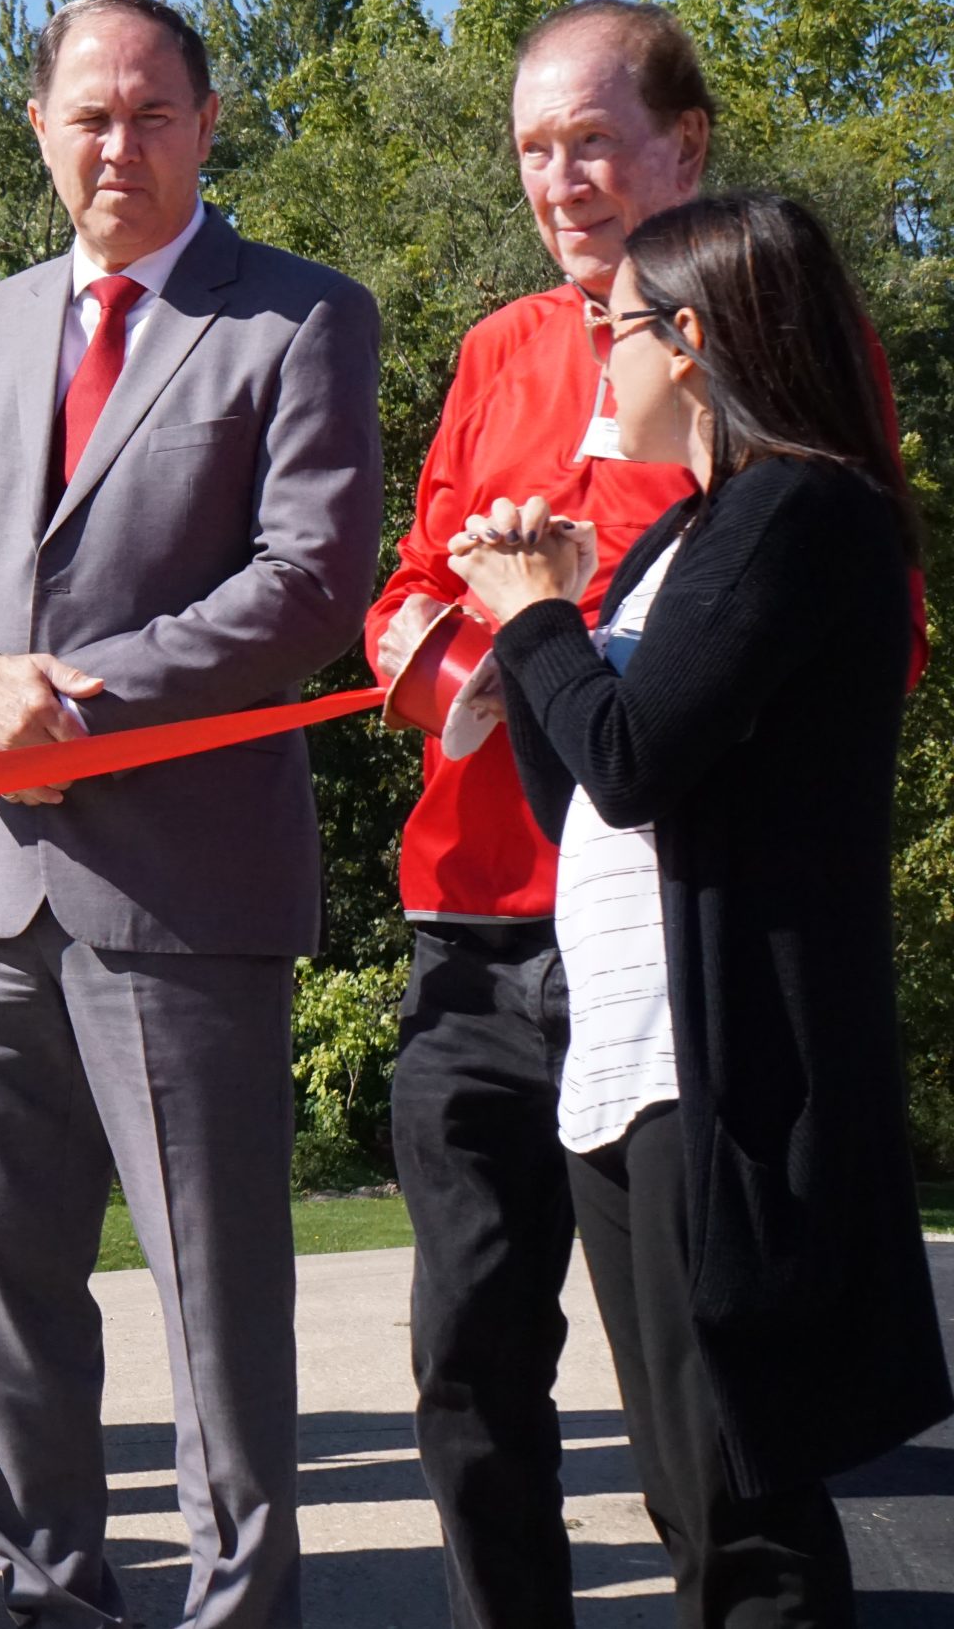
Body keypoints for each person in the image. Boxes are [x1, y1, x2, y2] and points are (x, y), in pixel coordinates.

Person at [0, 0, 383, 1629]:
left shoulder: (297, 319)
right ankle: (50, 1591)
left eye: (152, 112)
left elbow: (309, 582)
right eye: (88, 113)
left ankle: (242, 1603)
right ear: (38, 129)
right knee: (9, 1293)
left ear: (208, 125)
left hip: (181, 886)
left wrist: (69, 690)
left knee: (214, 1292)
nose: (118, 144)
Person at [448, 192, 953, 1622]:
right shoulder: (689, 538)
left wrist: (542, 613)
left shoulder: (802, 509)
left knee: (746, 1510)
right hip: (627, 1057)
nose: (591, 358)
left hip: (724, 1066)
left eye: (609, 327)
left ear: (690, 341)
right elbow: (582, 799)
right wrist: (533, 621)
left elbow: (636, 753)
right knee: (689, 1486)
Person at [362, 1, 715, 1628]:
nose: (562, 179)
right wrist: (456, 655)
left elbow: (830, 614)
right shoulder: (501, 347)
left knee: (690, 1400)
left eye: (594, 141)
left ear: (684, 148)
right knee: (468, 1365)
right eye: (535, 149)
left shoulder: (763, 326)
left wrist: (560, 608)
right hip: (473, 923)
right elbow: (413, 590)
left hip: (651, 931)